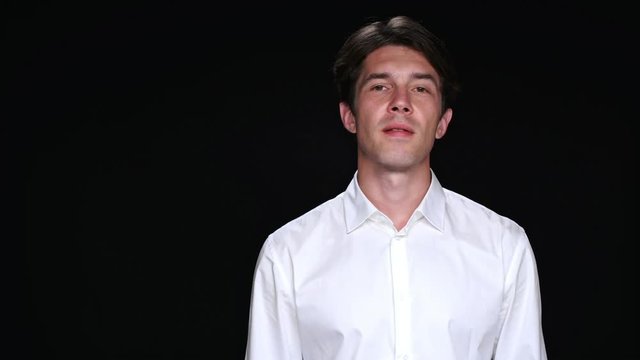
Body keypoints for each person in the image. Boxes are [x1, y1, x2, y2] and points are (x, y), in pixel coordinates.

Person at [244, 15, 547, 360]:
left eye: (420, 88)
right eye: (380, 87)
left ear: (443, 122)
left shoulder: (504, 248)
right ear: (349, 115)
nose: (400, 102)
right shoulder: (288, 254)